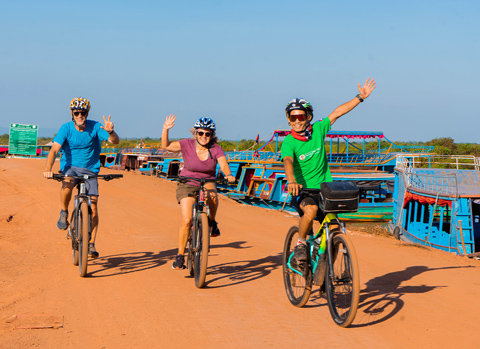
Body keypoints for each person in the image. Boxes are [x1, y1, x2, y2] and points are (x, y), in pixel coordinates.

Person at [281, 78, 376, 261]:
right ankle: (300, 243)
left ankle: (326, 275)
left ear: (309, 117)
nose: (297, 121)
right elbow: (287, 161)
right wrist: (292, 181)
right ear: (289, 119)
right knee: (311, 211)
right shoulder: (289, 142)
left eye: (301, 116)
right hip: (303, 191)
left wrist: (360, 98)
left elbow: (337, 112)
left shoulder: (318, 129)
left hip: (325, 189)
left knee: (334, 228)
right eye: (293, 117)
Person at [43, 97, 120, 258]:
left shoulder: (95, 126)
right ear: (72, 113)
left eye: (83, 112)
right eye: (77, 112)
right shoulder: (66, 128)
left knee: (94, 206)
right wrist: (48, 169)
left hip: (90, 170)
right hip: (70, 168)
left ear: (87, 113)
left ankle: (91, 243)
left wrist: (111, 131)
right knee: (66, 186)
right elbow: (54, 150)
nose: (80, 115)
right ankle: (64, 212)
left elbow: (115, 142)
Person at [162, 115, 235, 269]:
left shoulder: (216, 149)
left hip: (208, 181)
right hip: (187, 183)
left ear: (212, 135)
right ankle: (180, 255)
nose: (204, 137)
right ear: (195, 133)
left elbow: (223, 164)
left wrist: (228, 175)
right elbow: (166, 146)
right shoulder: (186, 144)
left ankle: (212, 222)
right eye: (200, 133)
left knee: (213, 196)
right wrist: (165, 129)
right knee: (187, 220)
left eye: (207, 134)